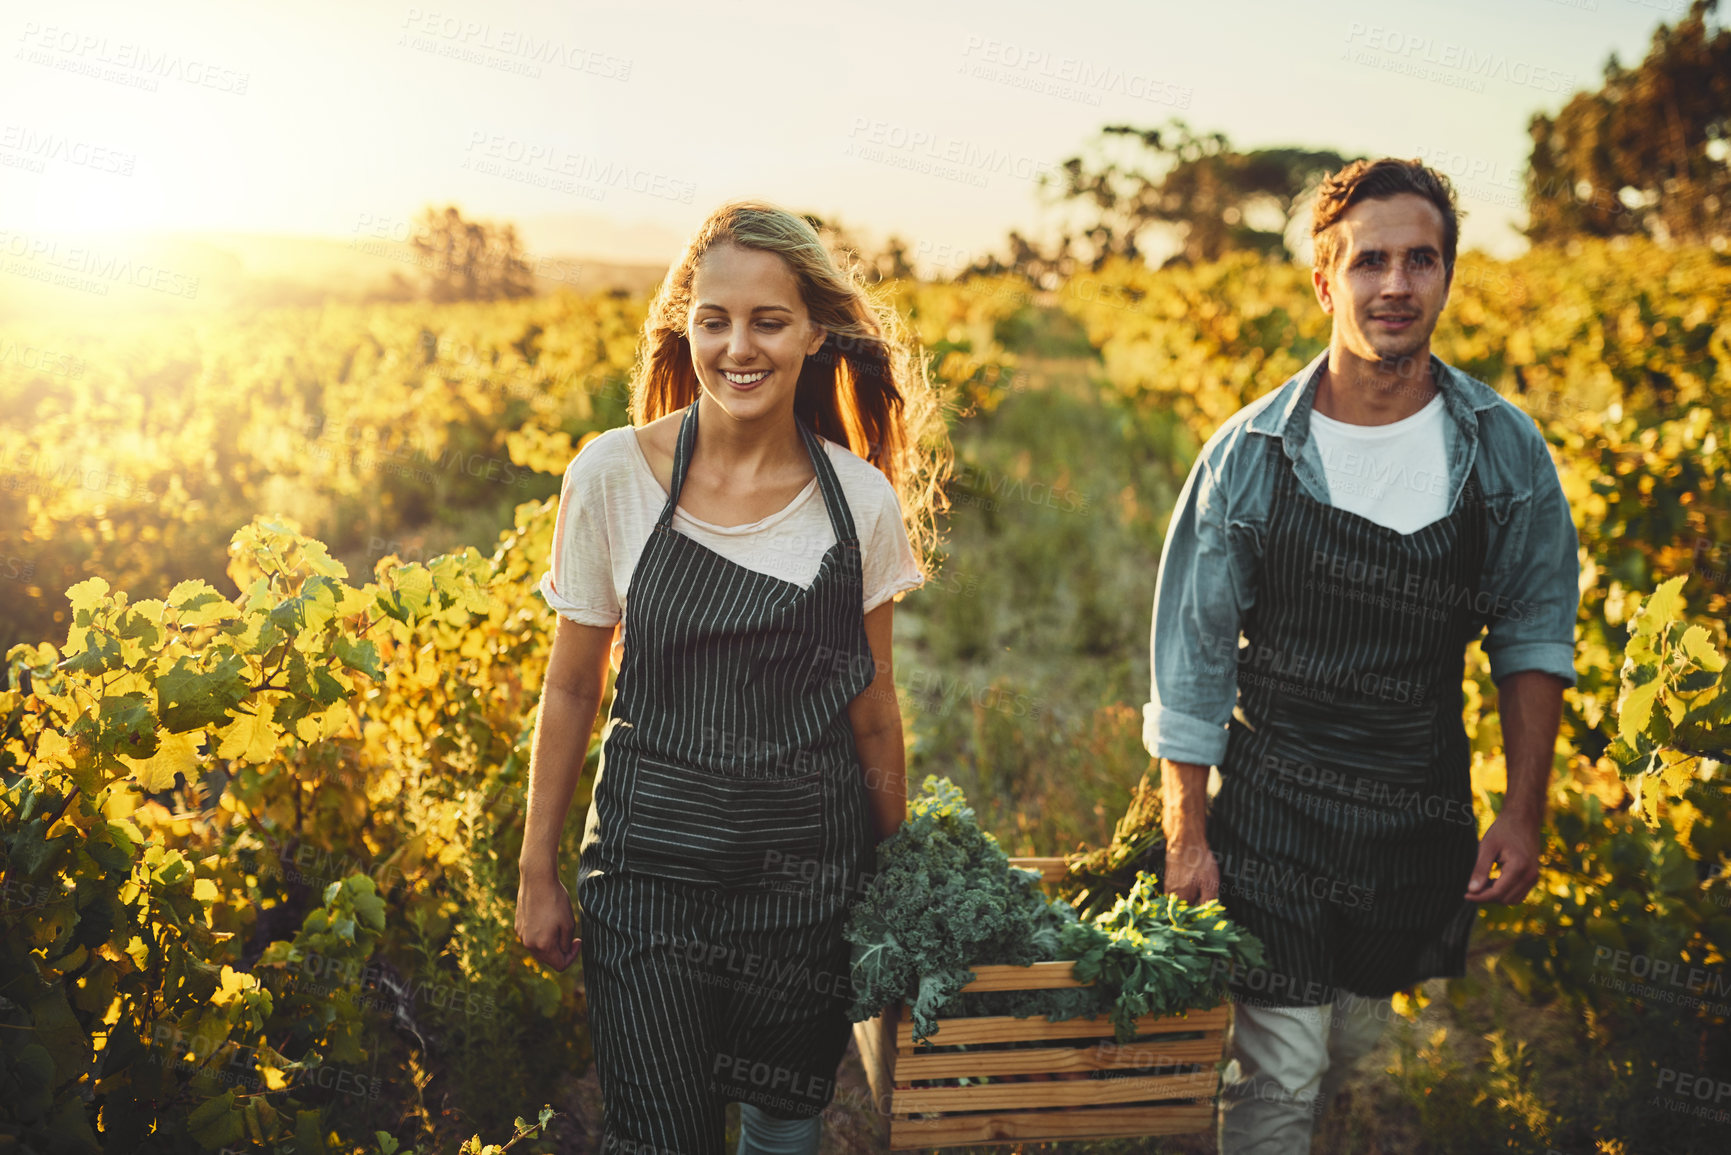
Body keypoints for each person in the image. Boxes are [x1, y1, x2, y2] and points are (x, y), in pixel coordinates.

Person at [1144, 158, 1581, 1154]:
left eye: (1419, 260)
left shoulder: (1504, 451)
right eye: (1370, 261)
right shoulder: (1251, 453)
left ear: (1447, 276)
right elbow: (1195, 658)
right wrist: (1189, 832)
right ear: (1324, 281)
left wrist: (1524, 807)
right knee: (1280, 1075)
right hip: (1273, 812)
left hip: (1415, 810)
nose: (1395, 285)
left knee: (1355, 1054)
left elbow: (1532, 634)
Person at [513, 200, 948, 1155]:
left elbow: (872, 708)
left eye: (767, 320)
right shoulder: (611, 476)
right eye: (714, 320)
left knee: (783, 1127)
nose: (737, 346)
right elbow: (573, 688)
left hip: (804, 880)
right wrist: (536, 866)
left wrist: (897, 874)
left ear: (814, 330)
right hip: (648, 877)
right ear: (685, 327)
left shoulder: (859, 501)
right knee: (658, 1136)